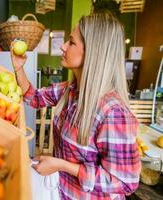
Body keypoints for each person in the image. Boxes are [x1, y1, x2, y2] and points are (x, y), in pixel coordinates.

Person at [11, 12, 141, 199]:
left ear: (93, 52)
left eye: (71, 42)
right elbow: (34, 97)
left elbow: (125, 183)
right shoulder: (71, 90)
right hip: (60, 191)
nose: (63, 47)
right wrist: (18, 67)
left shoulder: (113, 113)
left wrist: (62, 165)